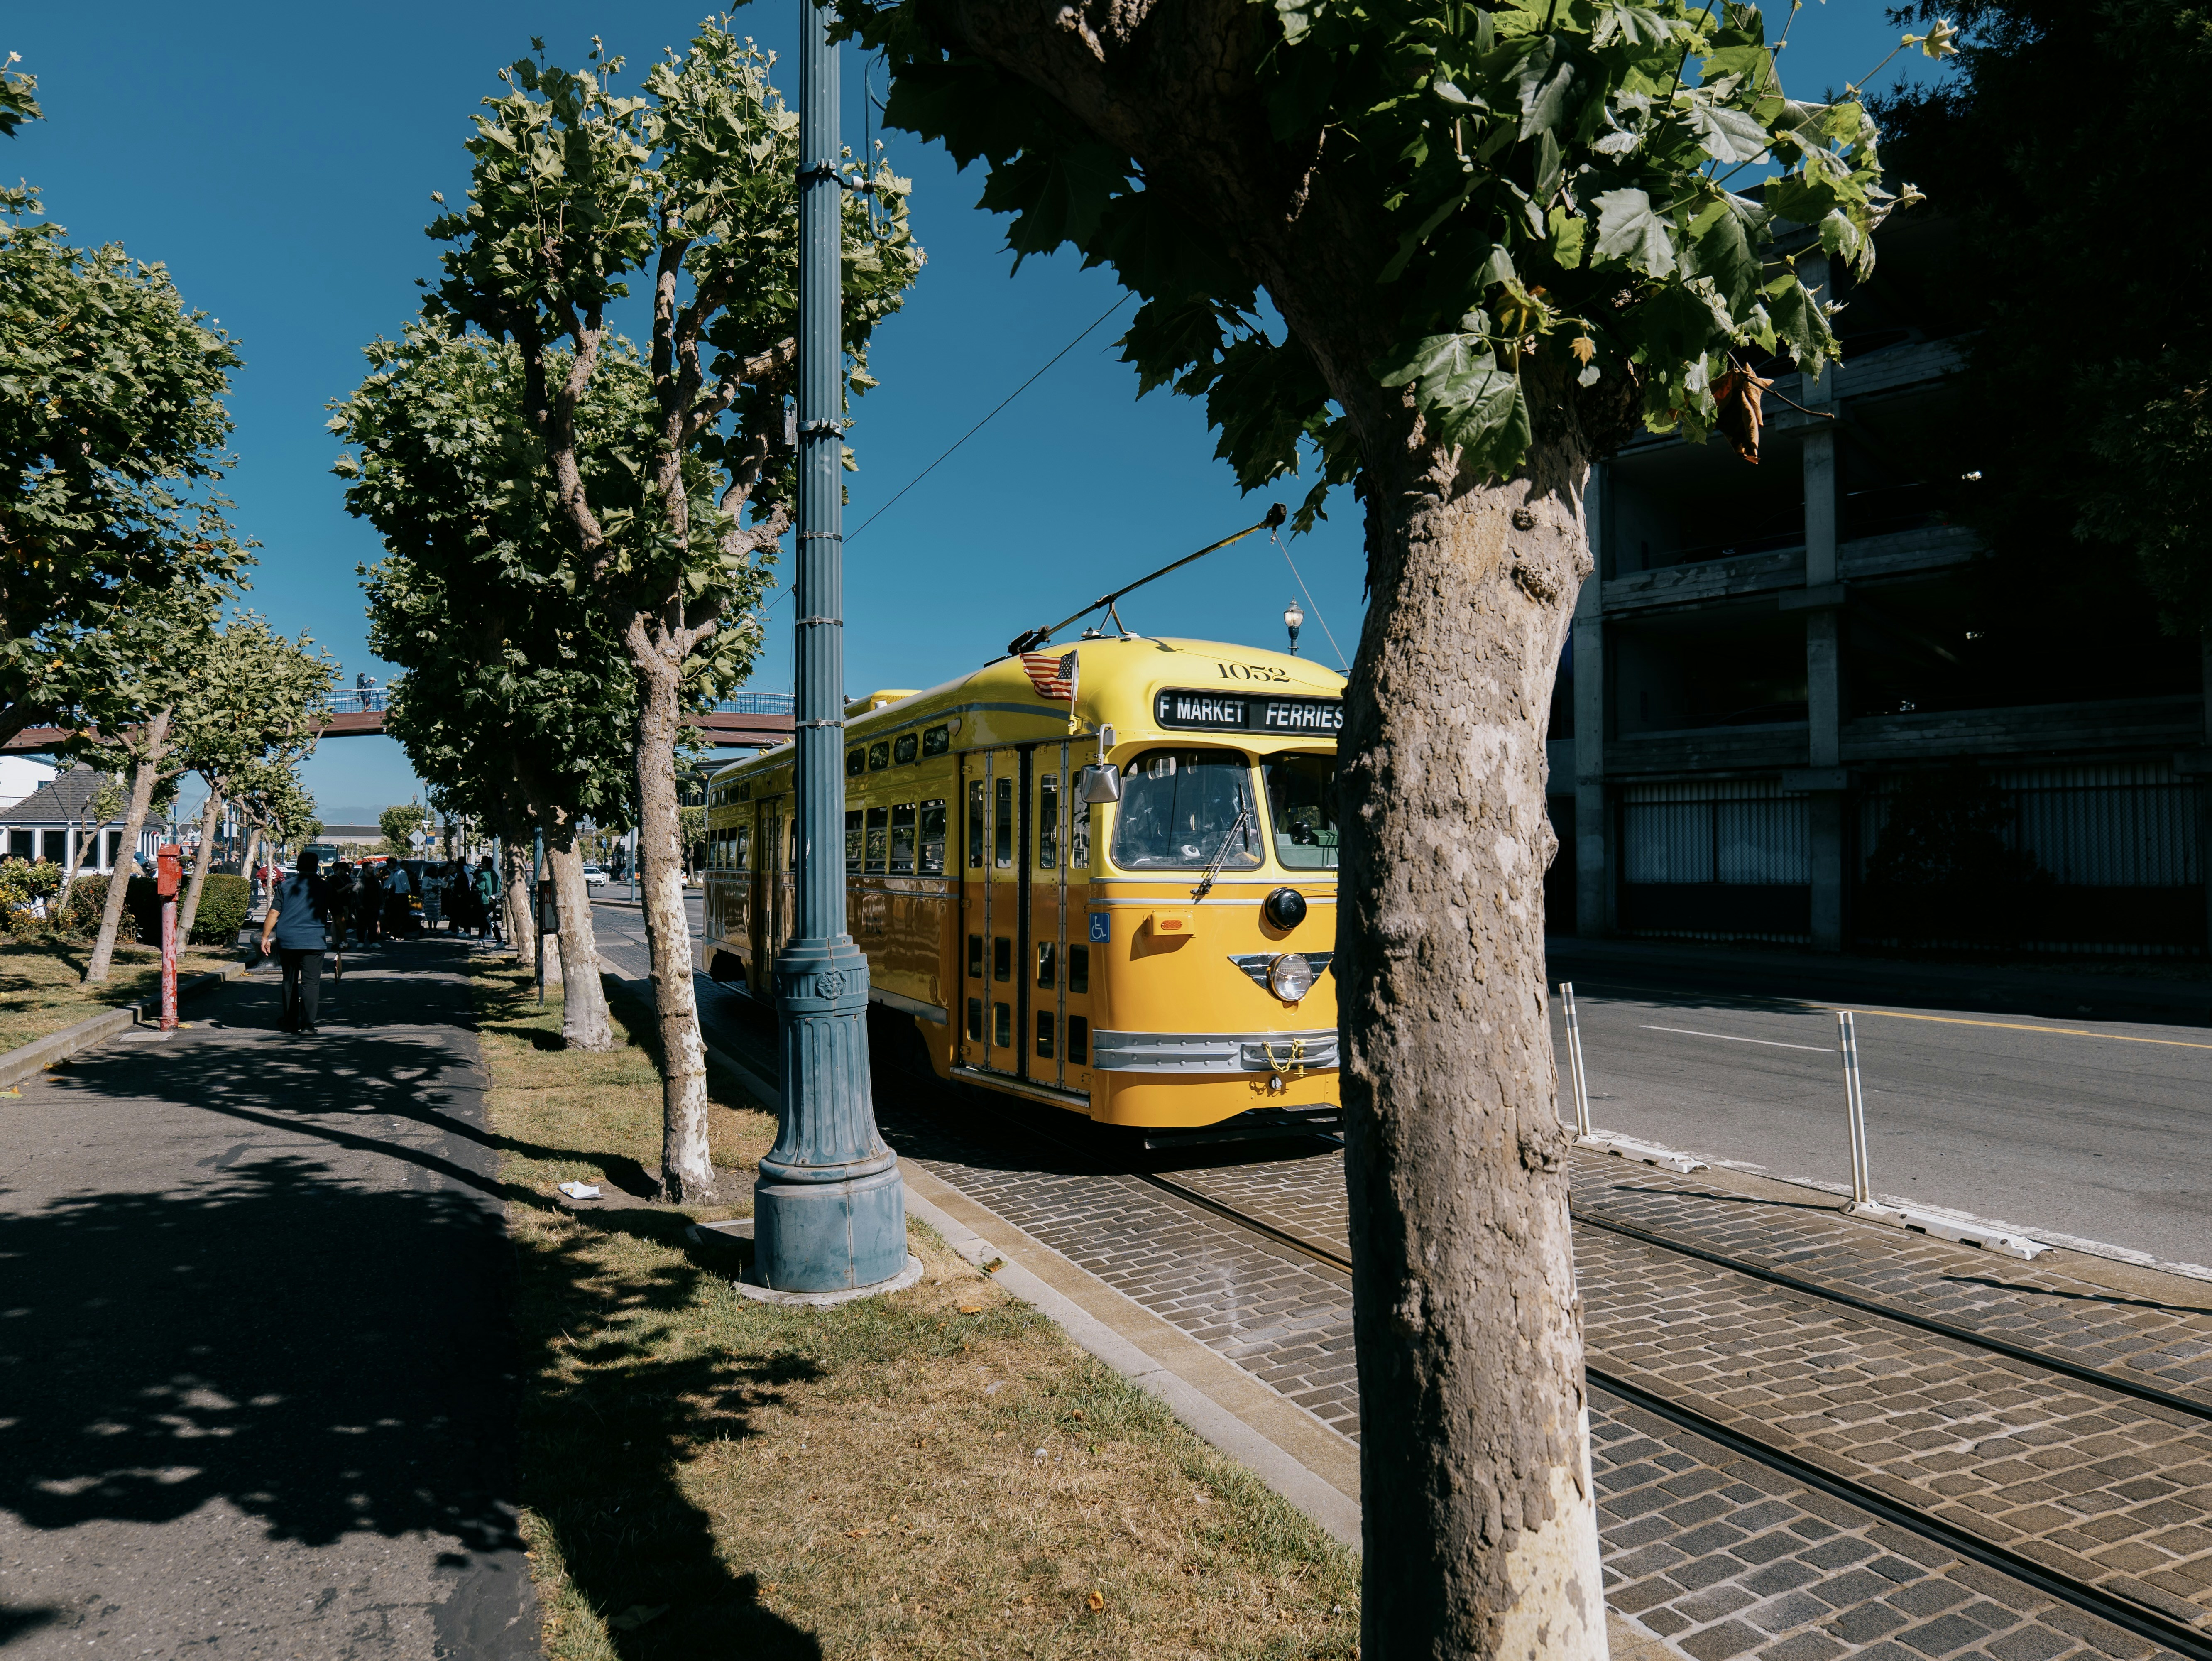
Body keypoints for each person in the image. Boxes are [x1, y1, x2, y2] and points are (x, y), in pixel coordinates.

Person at [259, 848, 329, 1034]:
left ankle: (290, 1021)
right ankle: (307, 1025)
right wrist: (343, 941)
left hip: (288, 939)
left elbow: (274, 913)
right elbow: (339, 916)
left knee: (289, 980)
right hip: (314, 940)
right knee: (311, 983)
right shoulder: (324, 886)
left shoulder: (286, 886)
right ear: (316, 867)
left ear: (298, 866)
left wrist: (265, 938)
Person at [473, 855, 501, 942]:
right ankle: (481, 940)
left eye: (482, 863)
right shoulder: (494, 873)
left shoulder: (483, 874)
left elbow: (480, 888)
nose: (481, 864)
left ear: (484, 864)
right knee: (484, 920)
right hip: (495, 899)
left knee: (490, 920)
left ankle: (499, 940)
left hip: (485, 900)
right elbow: (499, 887)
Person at [385, 860, 412, 936]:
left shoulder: (397, 873)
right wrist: (411, 896)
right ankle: (399, 933)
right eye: (406, 865)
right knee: (403, 915)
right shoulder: (403, 873)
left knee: (398, 915)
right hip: (403, 895)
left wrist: (386, 889)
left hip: (397, 895)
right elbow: (406, 886)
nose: (408, 867)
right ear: (402, 866)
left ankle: (394, 932)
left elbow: (391, 884)